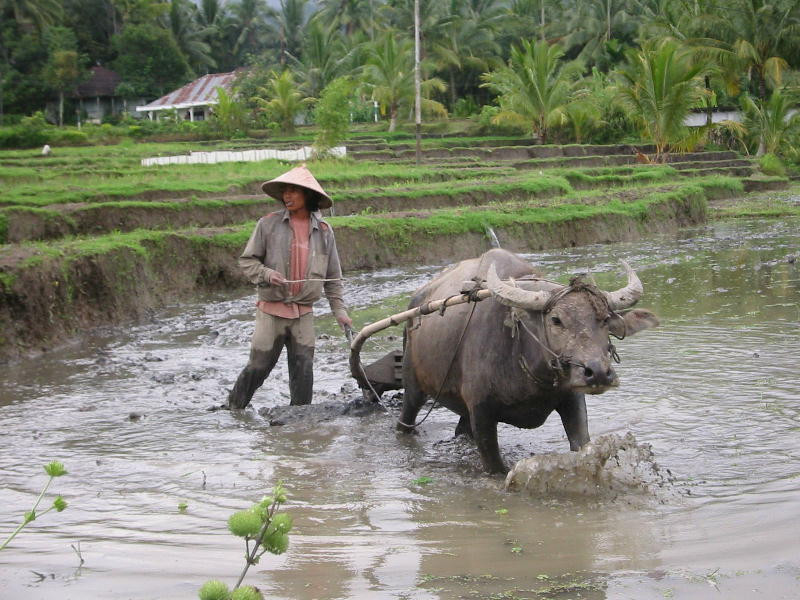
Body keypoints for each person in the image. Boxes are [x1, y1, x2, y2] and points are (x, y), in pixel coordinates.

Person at [227, 164, 352, 409]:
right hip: (272, 310)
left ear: (308, 196)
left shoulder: (325, 232)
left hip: (303, 312)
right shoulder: (268, 224)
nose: (287, 195)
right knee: (258, 366)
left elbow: (332, 277)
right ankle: (234, 408)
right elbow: (247, 260)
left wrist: (340, 311)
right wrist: (266, 273)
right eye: (285, 191)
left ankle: (300, 421)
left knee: (304, 369)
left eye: (294, 191)